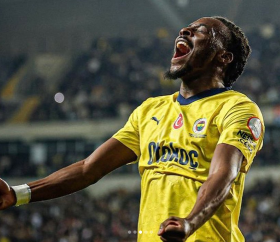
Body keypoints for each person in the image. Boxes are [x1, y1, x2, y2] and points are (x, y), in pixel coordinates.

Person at [0, 16, 264, 242]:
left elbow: (223, 174)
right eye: (186, 28)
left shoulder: (237, 108)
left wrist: (190, 223)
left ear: (224, 57)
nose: (185, 31)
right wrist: (17, 193)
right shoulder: (150, 110)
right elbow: (87, 169)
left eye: (201, 31)